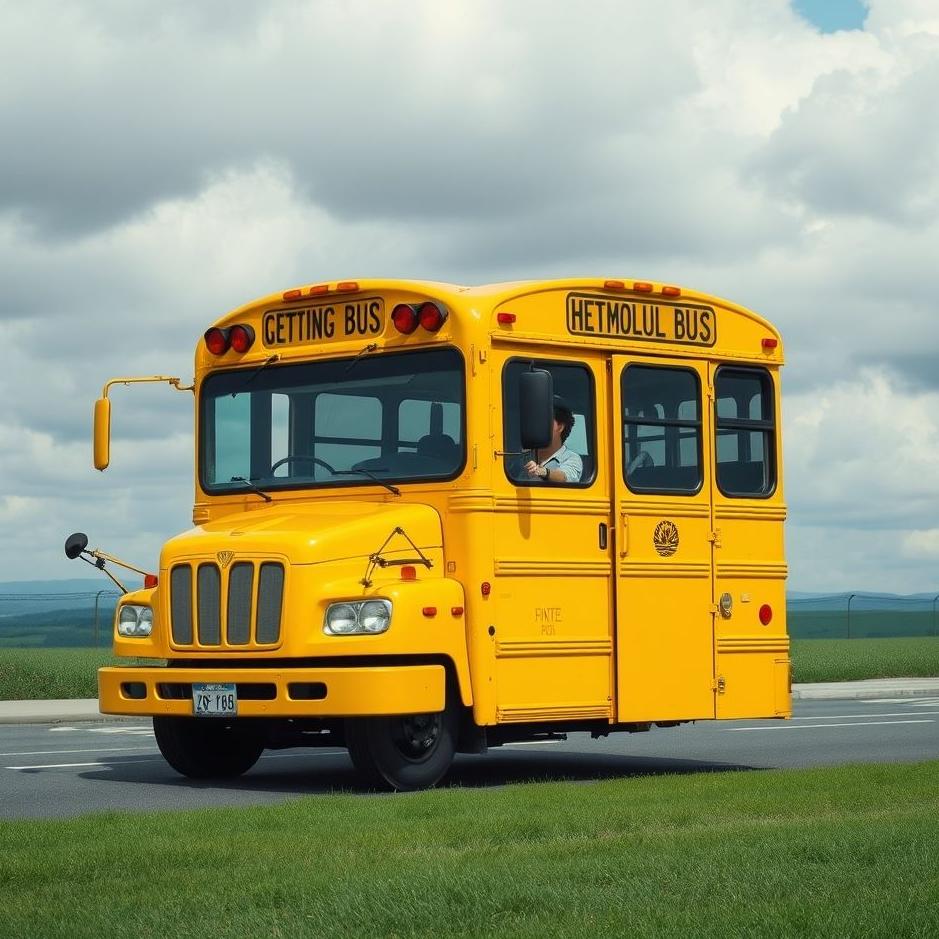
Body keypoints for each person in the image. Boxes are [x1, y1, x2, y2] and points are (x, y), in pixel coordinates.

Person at [523, 398, 583, 483]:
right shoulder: (523, 455)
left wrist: (543, 472)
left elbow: (565, 477)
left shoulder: (572, 458)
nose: (537, 426)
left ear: (560, 427)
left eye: (543, 421)